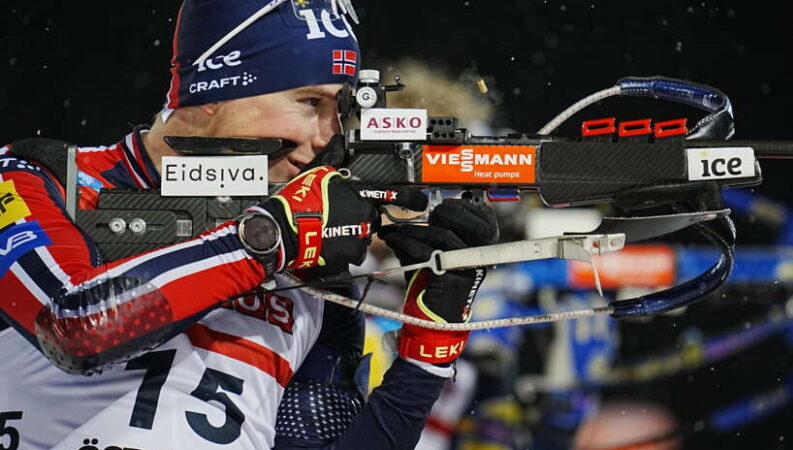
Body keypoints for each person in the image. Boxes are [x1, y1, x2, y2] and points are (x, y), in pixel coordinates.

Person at [0, 0, 498, 448]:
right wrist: (265, 239)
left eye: (340, 109)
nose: (328, 136)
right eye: (311, 103)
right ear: (214, 89)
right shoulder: (36, 179)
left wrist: (426, 356)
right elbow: (73, 327)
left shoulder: (312, 265)